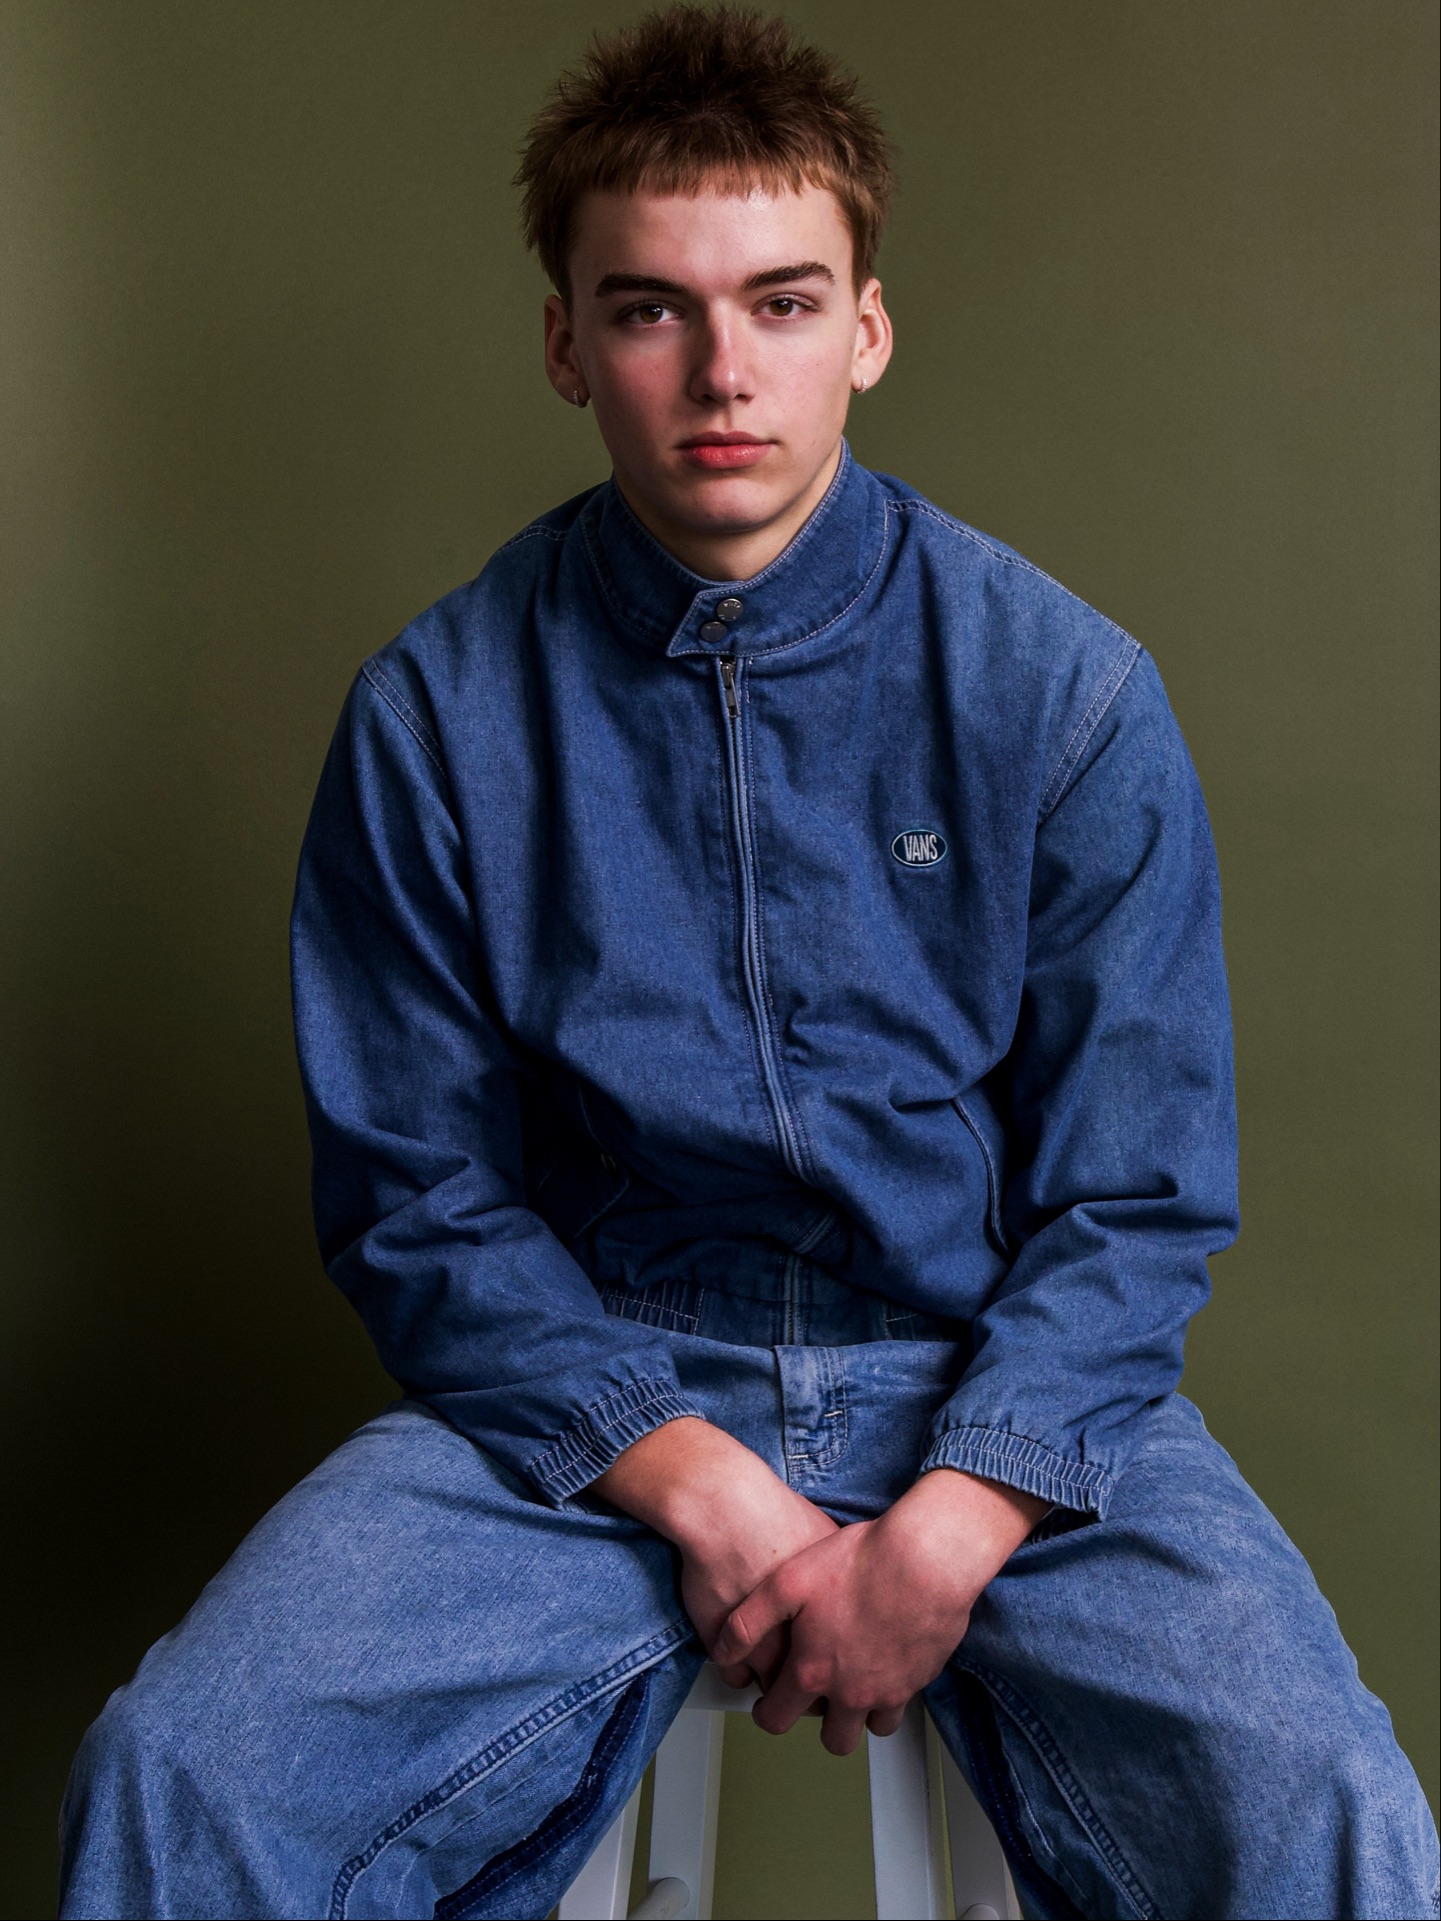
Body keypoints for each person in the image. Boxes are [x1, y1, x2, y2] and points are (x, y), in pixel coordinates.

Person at [59, 8, 1437, 1918]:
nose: (723, 371)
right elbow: (419, 1197)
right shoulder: (436, 715)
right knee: (180, 1774)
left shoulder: (1062, 692)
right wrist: (694, 1477)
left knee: (1327, 1811)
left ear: (865, 327)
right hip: (590, 1405)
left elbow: (1135, 1196)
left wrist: (950, 1523)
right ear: (567, 343)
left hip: (994, 1392)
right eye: (650, 309)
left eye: (781, 304)